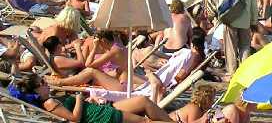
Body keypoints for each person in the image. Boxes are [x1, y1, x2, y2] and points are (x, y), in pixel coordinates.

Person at [12, 74, 174, 123]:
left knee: (143, 101)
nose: (45, 83)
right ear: (36, 90)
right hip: (101, 118)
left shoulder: (52, 98)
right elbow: (74, 119)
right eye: (42, 83)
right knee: (146, 121)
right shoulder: (49, 103)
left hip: (98, 111)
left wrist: (85, 101)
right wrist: (79, 99)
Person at [218, 0, 258, 76]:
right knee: (245, 46)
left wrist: (221, 17)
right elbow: (254, 7)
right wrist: (254, 22)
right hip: (245, 22)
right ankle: (244, 72)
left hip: (230, 20)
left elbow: (221, 3)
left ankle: (232, 73)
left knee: (231, 47)